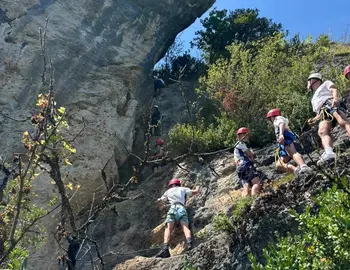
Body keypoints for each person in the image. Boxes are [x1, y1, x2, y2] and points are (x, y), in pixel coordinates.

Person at [307, 73, 350, 165]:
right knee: (322, 131)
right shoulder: (313, 98)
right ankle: (329, 152)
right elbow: (317, 112)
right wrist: (314, 119)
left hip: (330, 103)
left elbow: (334, 89)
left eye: (309, 81)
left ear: (313, 80)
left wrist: (335, 98)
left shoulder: (325, 83)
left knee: (343, 122)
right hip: (322, 112)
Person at [155, 179, 200, 258]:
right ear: (178, 184)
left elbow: (160, 202)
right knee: (185, 227)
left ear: (170, 185)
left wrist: (159, 200)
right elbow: (195, 192)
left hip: (172, 209)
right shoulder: (182, 189)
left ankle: (165, 249)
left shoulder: (168, 192)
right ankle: (190, 244)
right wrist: (198, 187)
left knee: (168, 228)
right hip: (181, 208)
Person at [266, 109, 312, 175]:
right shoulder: (277, 121)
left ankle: (303, 166)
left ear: (271, 117)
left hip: (285, 136)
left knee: (292, 153)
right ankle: (296, 170)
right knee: (279, 165)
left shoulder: (277, 118)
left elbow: (281, 124)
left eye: (269, 119)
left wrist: (281, 134)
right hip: (282, 142)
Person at [234, 127, 261, 197]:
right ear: (239, 136)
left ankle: (245, 203)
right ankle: (255, 201)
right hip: (246, 165)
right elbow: (250, 154)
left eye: (246, 135)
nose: (246, 136)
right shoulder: (241, 144)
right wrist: (251, 154)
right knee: (256, 184)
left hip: (240, 169)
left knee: (246, 187)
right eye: (244, 135)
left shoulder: (236, 146)